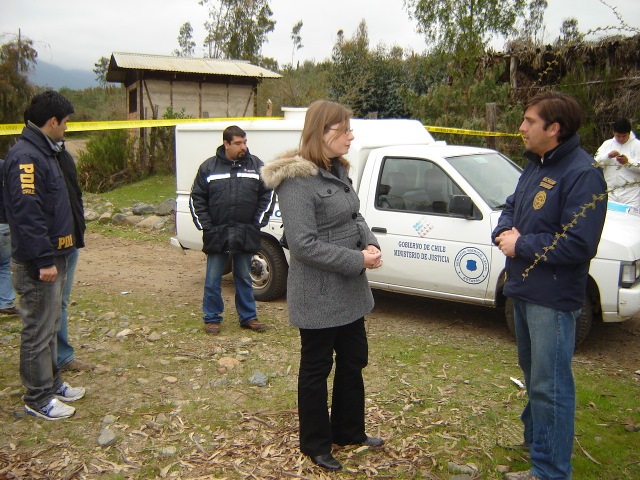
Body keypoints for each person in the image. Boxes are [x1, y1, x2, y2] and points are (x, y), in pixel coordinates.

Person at [261, 100, 384, 471]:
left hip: (349, 291)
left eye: (349, 128)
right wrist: (357, 260)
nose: (350, 136)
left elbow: (355, 215)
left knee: (354, 360)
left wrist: (370, 241)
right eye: (343, 130)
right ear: (322, 132)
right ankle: (315, 442)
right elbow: (303, 245)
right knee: (316, 368)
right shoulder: (296, 180)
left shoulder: (338, 169)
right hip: (317, 293)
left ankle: (349, 429)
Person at [493, 92, 607, 480]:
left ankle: (550, 471)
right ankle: (538, 442)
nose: (521, 128)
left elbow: (579, 242)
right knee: (534, 376)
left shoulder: (582, 173)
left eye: (529, 121)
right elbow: (511, 203)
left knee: (550, 385)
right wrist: (504, 229)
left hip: (552, 299)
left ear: (553, 128)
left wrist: (519, 244)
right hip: (524, 290)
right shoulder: (535, 165)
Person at [3, 91, 86, 420]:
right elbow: (27, 214)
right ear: (52, 122)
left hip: (57, 254)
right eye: (65, 123)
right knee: (37, 329)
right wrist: (43, 260)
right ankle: (37, 398)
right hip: (40, 262)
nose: (66, 129)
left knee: (50, 324)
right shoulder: (26, 156)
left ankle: (52, 384)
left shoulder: (47, 151)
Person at [189, 125, 275, 334]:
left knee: (244, 277)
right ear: (226, 144)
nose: (243, 147)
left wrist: (257, 224)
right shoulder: (208, 167)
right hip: (217, 233)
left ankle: (248, 317)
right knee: (212, 278)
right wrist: (206, 227)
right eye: (238, 143)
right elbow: (197, 198)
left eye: (245, 142)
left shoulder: (256, 166)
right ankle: (212, 318)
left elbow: (268, 195)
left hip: (245, 232)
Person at [56, 140, 95, 372]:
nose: (67, 128)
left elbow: (74, 194)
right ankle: (43, 371)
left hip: (70, 241)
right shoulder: (31, 157)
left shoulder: (63, 155)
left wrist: (79, 229)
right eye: (65, 121)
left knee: (60, 302)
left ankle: (62, 357)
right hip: (49, 248)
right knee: (46, 308)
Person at [594, 117, 640, 207]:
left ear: (629, 133)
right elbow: (595, 163)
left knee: (629, 219)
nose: (621, 139)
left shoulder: (637, 146)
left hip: (631, 194)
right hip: (609, 192)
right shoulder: (607, 144)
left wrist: (628, 162)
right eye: (618, 136)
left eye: (624, 136)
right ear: (614, 132)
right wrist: (608, 156)